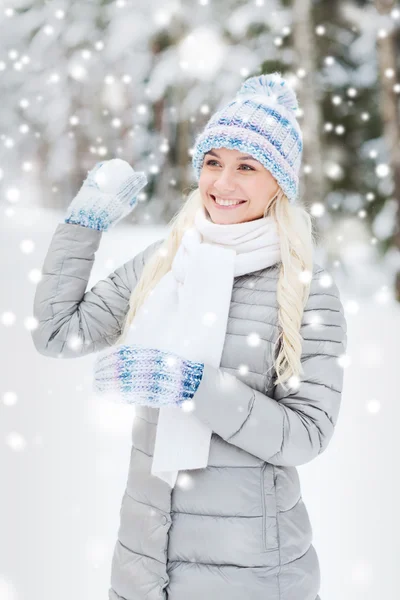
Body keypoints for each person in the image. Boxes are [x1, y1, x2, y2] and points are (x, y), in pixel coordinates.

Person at [31, 72, 347, 600]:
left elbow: (306, 434)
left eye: (247, 166)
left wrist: (192, 386)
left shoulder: (304, 288)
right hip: (144, 565)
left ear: (280, 182)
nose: (222, 183)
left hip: (255, 576)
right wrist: (83, 225)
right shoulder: (166, 261)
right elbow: (59, 334)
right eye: (212, 162)